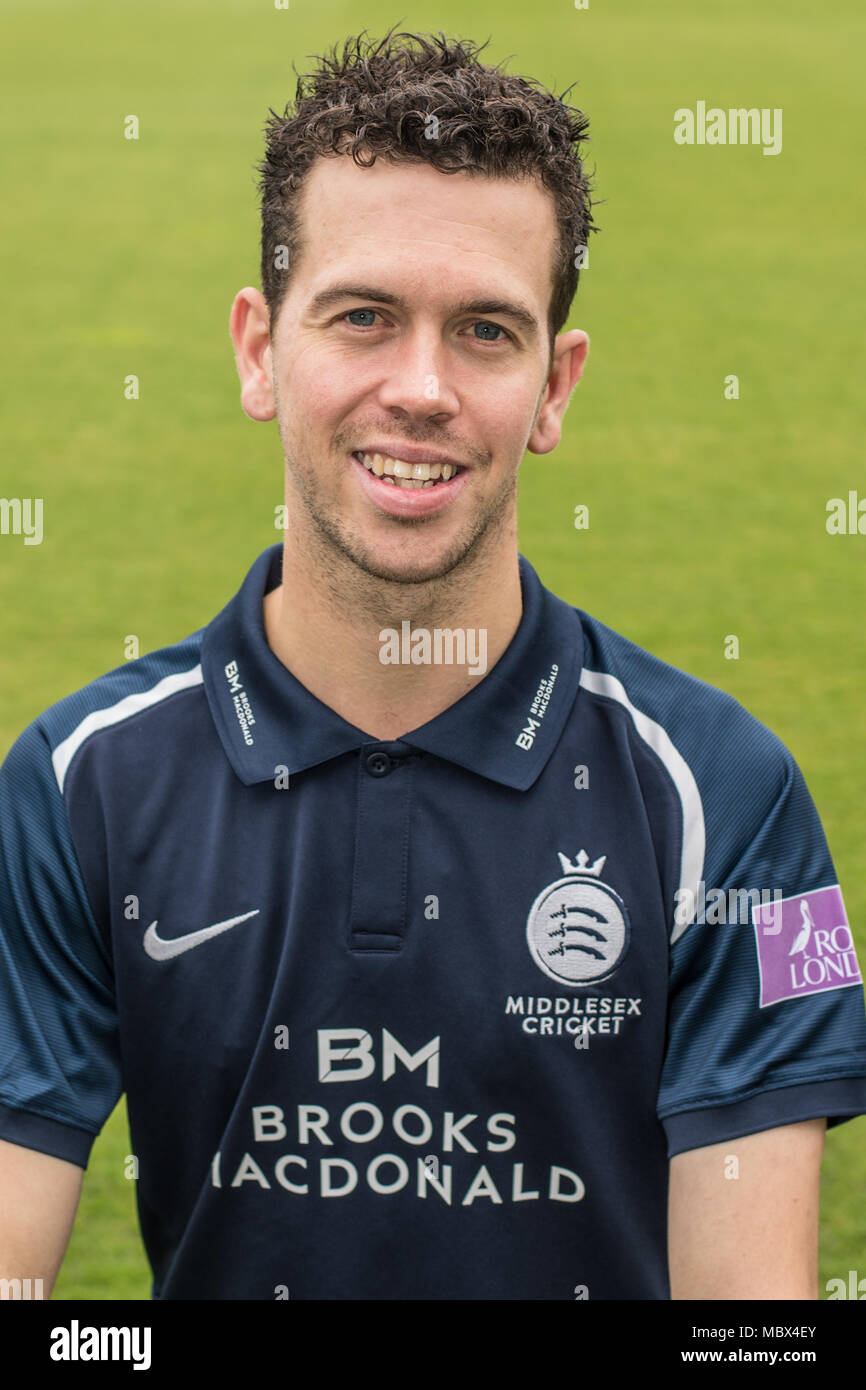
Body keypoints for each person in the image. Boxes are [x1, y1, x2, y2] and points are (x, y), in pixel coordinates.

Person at [1, 28, 864, 1302]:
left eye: (482, 332)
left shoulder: (733, 793)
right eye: (362, 317)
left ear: (554, 384)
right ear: (258, 349)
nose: (420, 389)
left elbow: (754, 1326)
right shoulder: (69, 785)